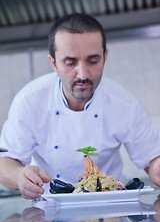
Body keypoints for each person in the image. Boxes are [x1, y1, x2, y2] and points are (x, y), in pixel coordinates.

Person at [0, 13, 160, 200]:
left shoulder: (124, 104)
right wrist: (20, 176)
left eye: (93, 61)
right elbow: (5, 163)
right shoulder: (30, 101)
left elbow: (152, 158)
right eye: (70, 62)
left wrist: (157, 167)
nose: (83, 74)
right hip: (52, 208)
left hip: (112, 205)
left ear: (105, 57)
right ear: (53, 63)